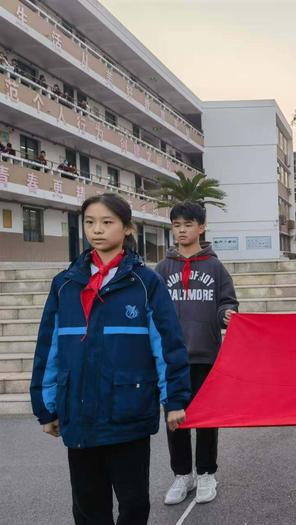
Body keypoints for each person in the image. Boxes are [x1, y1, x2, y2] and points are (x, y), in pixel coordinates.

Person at [30, 193, 191, 525]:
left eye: (107, 222)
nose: (96, 230)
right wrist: (46, 406)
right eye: (90, 222)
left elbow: (167, 345)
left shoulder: (145, 282)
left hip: (127, 412)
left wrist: (174, 399)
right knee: (89, 508)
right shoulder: (65, 284)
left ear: (127, 228)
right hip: (79, 410)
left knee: (133, 505)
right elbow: (49, 349)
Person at [155, 201, 239, 506]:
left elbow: (226, 302)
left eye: (187, 224)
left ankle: (206, 473)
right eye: (176, 225)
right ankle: (182, 475)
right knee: (175, 421)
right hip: (171, 360)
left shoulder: (215, 267)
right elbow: (152, 309)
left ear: (201, 228)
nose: (181, 230)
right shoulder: (163, 269)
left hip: (206, 355)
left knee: (206, 419)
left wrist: (227, 314)